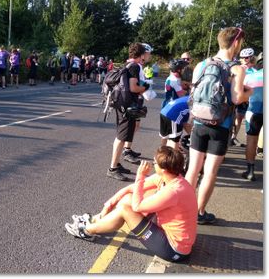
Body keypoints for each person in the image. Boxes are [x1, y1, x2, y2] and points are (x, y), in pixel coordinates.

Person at [66, 146, 197, 263]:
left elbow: (137, 206)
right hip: (168, 232)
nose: (152, 164)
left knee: (125, 209)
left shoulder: (173, 191)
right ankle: (96, 219)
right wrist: (108, 205)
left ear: (163, 169)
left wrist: (140, 175)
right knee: (128, 198)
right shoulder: (171, 177)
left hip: (175, 250)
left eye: (155, 163)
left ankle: (86, 230)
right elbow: (130, 189)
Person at [185, 27, 253, 224]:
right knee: (210, 172)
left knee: (193, 169)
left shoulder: (202, 64)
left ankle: (184, 208)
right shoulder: (237, 68)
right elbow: (237, 98)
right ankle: (199, 212)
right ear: (236, 43)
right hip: (220, 125)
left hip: (199, 121)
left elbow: (194, 90)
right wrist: (248, 92)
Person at [107, 42, 151, 181]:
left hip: (122, 104)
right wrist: (146, 87)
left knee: (122, 135)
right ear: (142, 54)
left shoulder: (128, 64)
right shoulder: (134, 67)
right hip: (126, 106)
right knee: (121, 137)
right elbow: (133, 88)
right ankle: (112, 168)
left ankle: (117, 163)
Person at [241, 52, 263, 181]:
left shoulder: (252, 76)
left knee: (251, 141)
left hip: (253, 111)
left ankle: (250, 171)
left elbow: (242, 95)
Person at [230, 47, 257, 147]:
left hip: (249, 98)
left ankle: (249, 140)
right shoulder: (236, 68)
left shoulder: (254, 71)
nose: (243, 60)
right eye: (242, 58)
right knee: (237, 118)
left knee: (249, 120)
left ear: (251, 58)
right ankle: (233, 137)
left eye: (246, 58)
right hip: (238, 97)